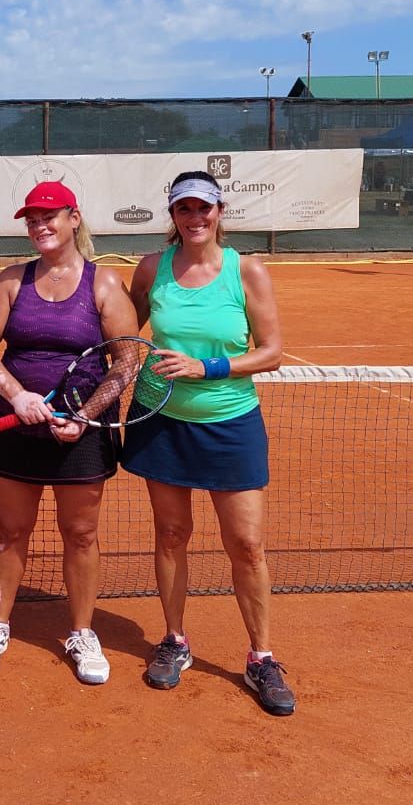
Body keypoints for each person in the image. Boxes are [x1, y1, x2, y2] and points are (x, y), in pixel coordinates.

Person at [121, 172, 294, 716]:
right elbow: (127, 333)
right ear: (171, 215)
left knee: (246, 544)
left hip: (230, 424)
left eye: (204, 208)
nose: (194, 218)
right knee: (171, 533)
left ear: (220, 210)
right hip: (161, 418)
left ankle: (261, 656)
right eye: (184, 209)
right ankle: (174, 641)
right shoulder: (152, 269)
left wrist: (207, 366)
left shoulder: (247, 271)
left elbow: (271, 351)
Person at [0, 182, 137, 680]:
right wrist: (17, 396)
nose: (40, 225)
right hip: (17, 430)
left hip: (81, 434)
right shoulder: (11, 281)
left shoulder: (103, 285)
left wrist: (86, 416)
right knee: (11, 532)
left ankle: (82, 632)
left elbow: (126, 361)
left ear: (74, 218)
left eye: (50, 216)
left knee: (81, 534)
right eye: (32, 219)